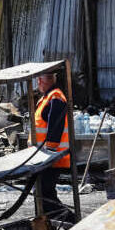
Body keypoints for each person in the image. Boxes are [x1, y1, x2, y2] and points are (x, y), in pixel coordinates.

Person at [31, 70, 72, 216]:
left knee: (44, 194)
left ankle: (71, 221)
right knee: (43, 194)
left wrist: (50, 152)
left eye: (39, 80)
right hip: (44, 156)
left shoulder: (55, 97)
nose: (38, 83)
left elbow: (56, 125)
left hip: (50, 157)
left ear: (43, 81)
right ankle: (49, 223)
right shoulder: (47, 98)